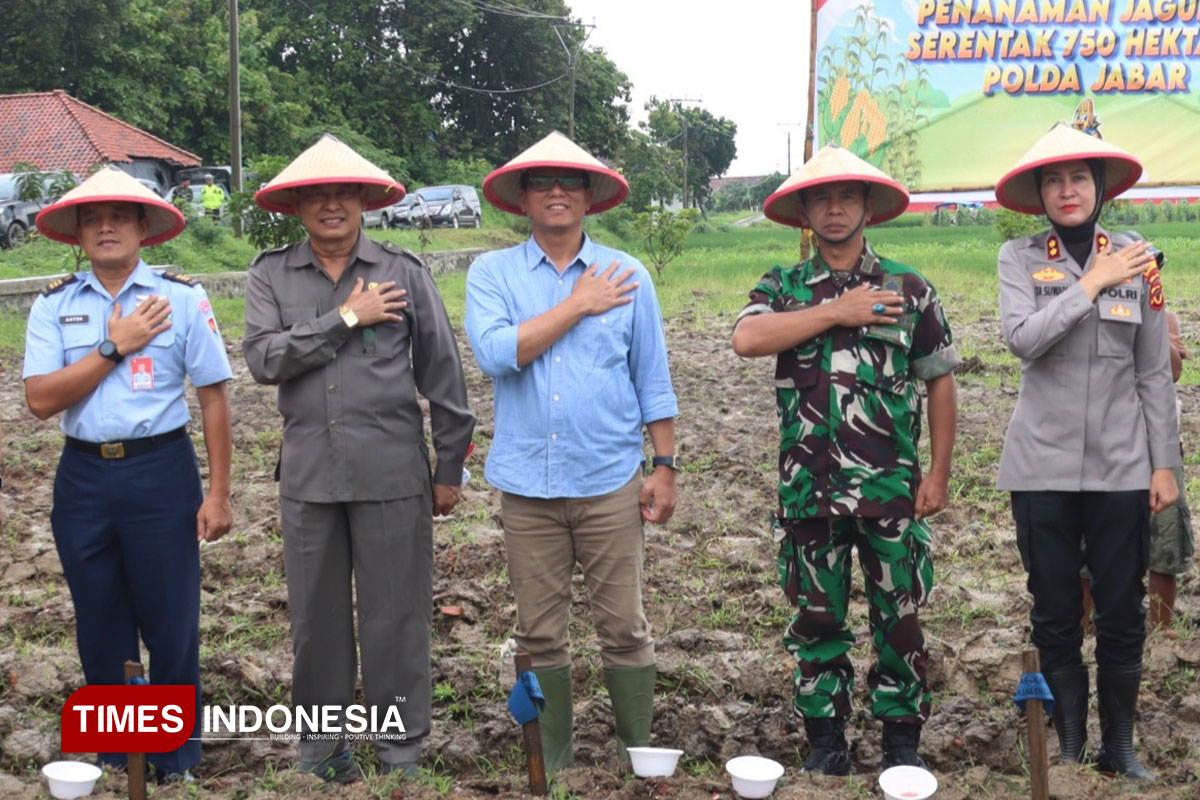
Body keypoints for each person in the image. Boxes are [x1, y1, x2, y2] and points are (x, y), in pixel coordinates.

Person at [243, 134, 475, 783]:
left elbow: (443, 374)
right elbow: (263, 360)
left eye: (343, 192)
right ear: (295, 206)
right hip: (311, 478)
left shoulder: (402, 271)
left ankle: (399, 754)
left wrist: (448, 469)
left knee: (396, 617)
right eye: (315, 194)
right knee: (315, 624)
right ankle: (322, 754)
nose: (331, 204)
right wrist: (345, 318)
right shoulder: (270, 274)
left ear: (364, 200)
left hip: (393, 475)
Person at [731, 144, 959, 774]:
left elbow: (939, 378)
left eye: (847, 197)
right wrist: (835, 310)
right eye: (822, 198)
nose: (835, 210)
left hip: (890, 489)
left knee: (900, 619)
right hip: (809, 488)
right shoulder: (782, 286)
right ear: (804, 210)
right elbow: (747, 338)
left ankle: (900, 743)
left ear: (867, 207)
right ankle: (826, 743)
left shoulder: (908, 288)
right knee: (816, 620)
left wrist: (938, 472)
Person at [464, 131, 679, 773]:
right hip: (528, 487)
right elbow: (497, 353)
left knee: (624, 625)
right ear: (523, 199)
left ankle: (636, 755)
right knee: (537, 631)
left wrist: (664, 467)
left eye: (569, 182)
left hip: (611, 479)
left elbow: (653, 379)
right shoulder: (492, 273)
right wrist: (579, 304)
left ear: (589, 196)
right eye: (541, 183)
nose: (556, 192)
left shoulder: (628, 274)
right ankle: (551, 762)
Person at [23, 166, 233, 783]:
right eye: (92, 218)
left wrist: (218, 493)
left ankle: (174, 759)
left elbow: (214, 396)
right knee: (100, 617)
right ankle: (119, 756)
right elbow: (40, 399)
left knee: (170, 620)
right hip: (83, 477)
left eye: (119, 216)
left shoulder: (182, 298)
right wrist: (114, 346)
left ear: (143, 227)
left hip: (160, 472)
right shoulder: (53, 303)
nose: (106, 226)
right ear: (78, 234)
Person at [994, 123, 1179, 779]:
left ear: (1100, 188)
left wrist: (1165, 465)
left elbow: (1154, 372)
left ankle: (1118, 746)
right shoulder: (1019, 259)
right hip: (1040, 465)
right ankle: (1069, 744)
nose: (1066, 190)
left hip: (1123, 466)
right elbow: (1023, 339)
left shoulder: (1140, 260)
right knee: (1054, 607)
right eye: (1053, 179)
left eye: (1078, 178)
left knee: (1124, 610)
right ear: (1039, 192)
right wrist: (1089, 284)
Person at [1082, 309, 1193, 634]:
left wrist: (1149, 329)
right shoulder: (1085, 309)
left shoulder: (1163, 317)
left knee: (1164, 540)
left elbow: (1171, 369)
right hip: (1098, 439)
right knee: (1088, 539)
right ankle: (1084, 626)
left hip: (1155, 443)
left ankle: (1161, 631)